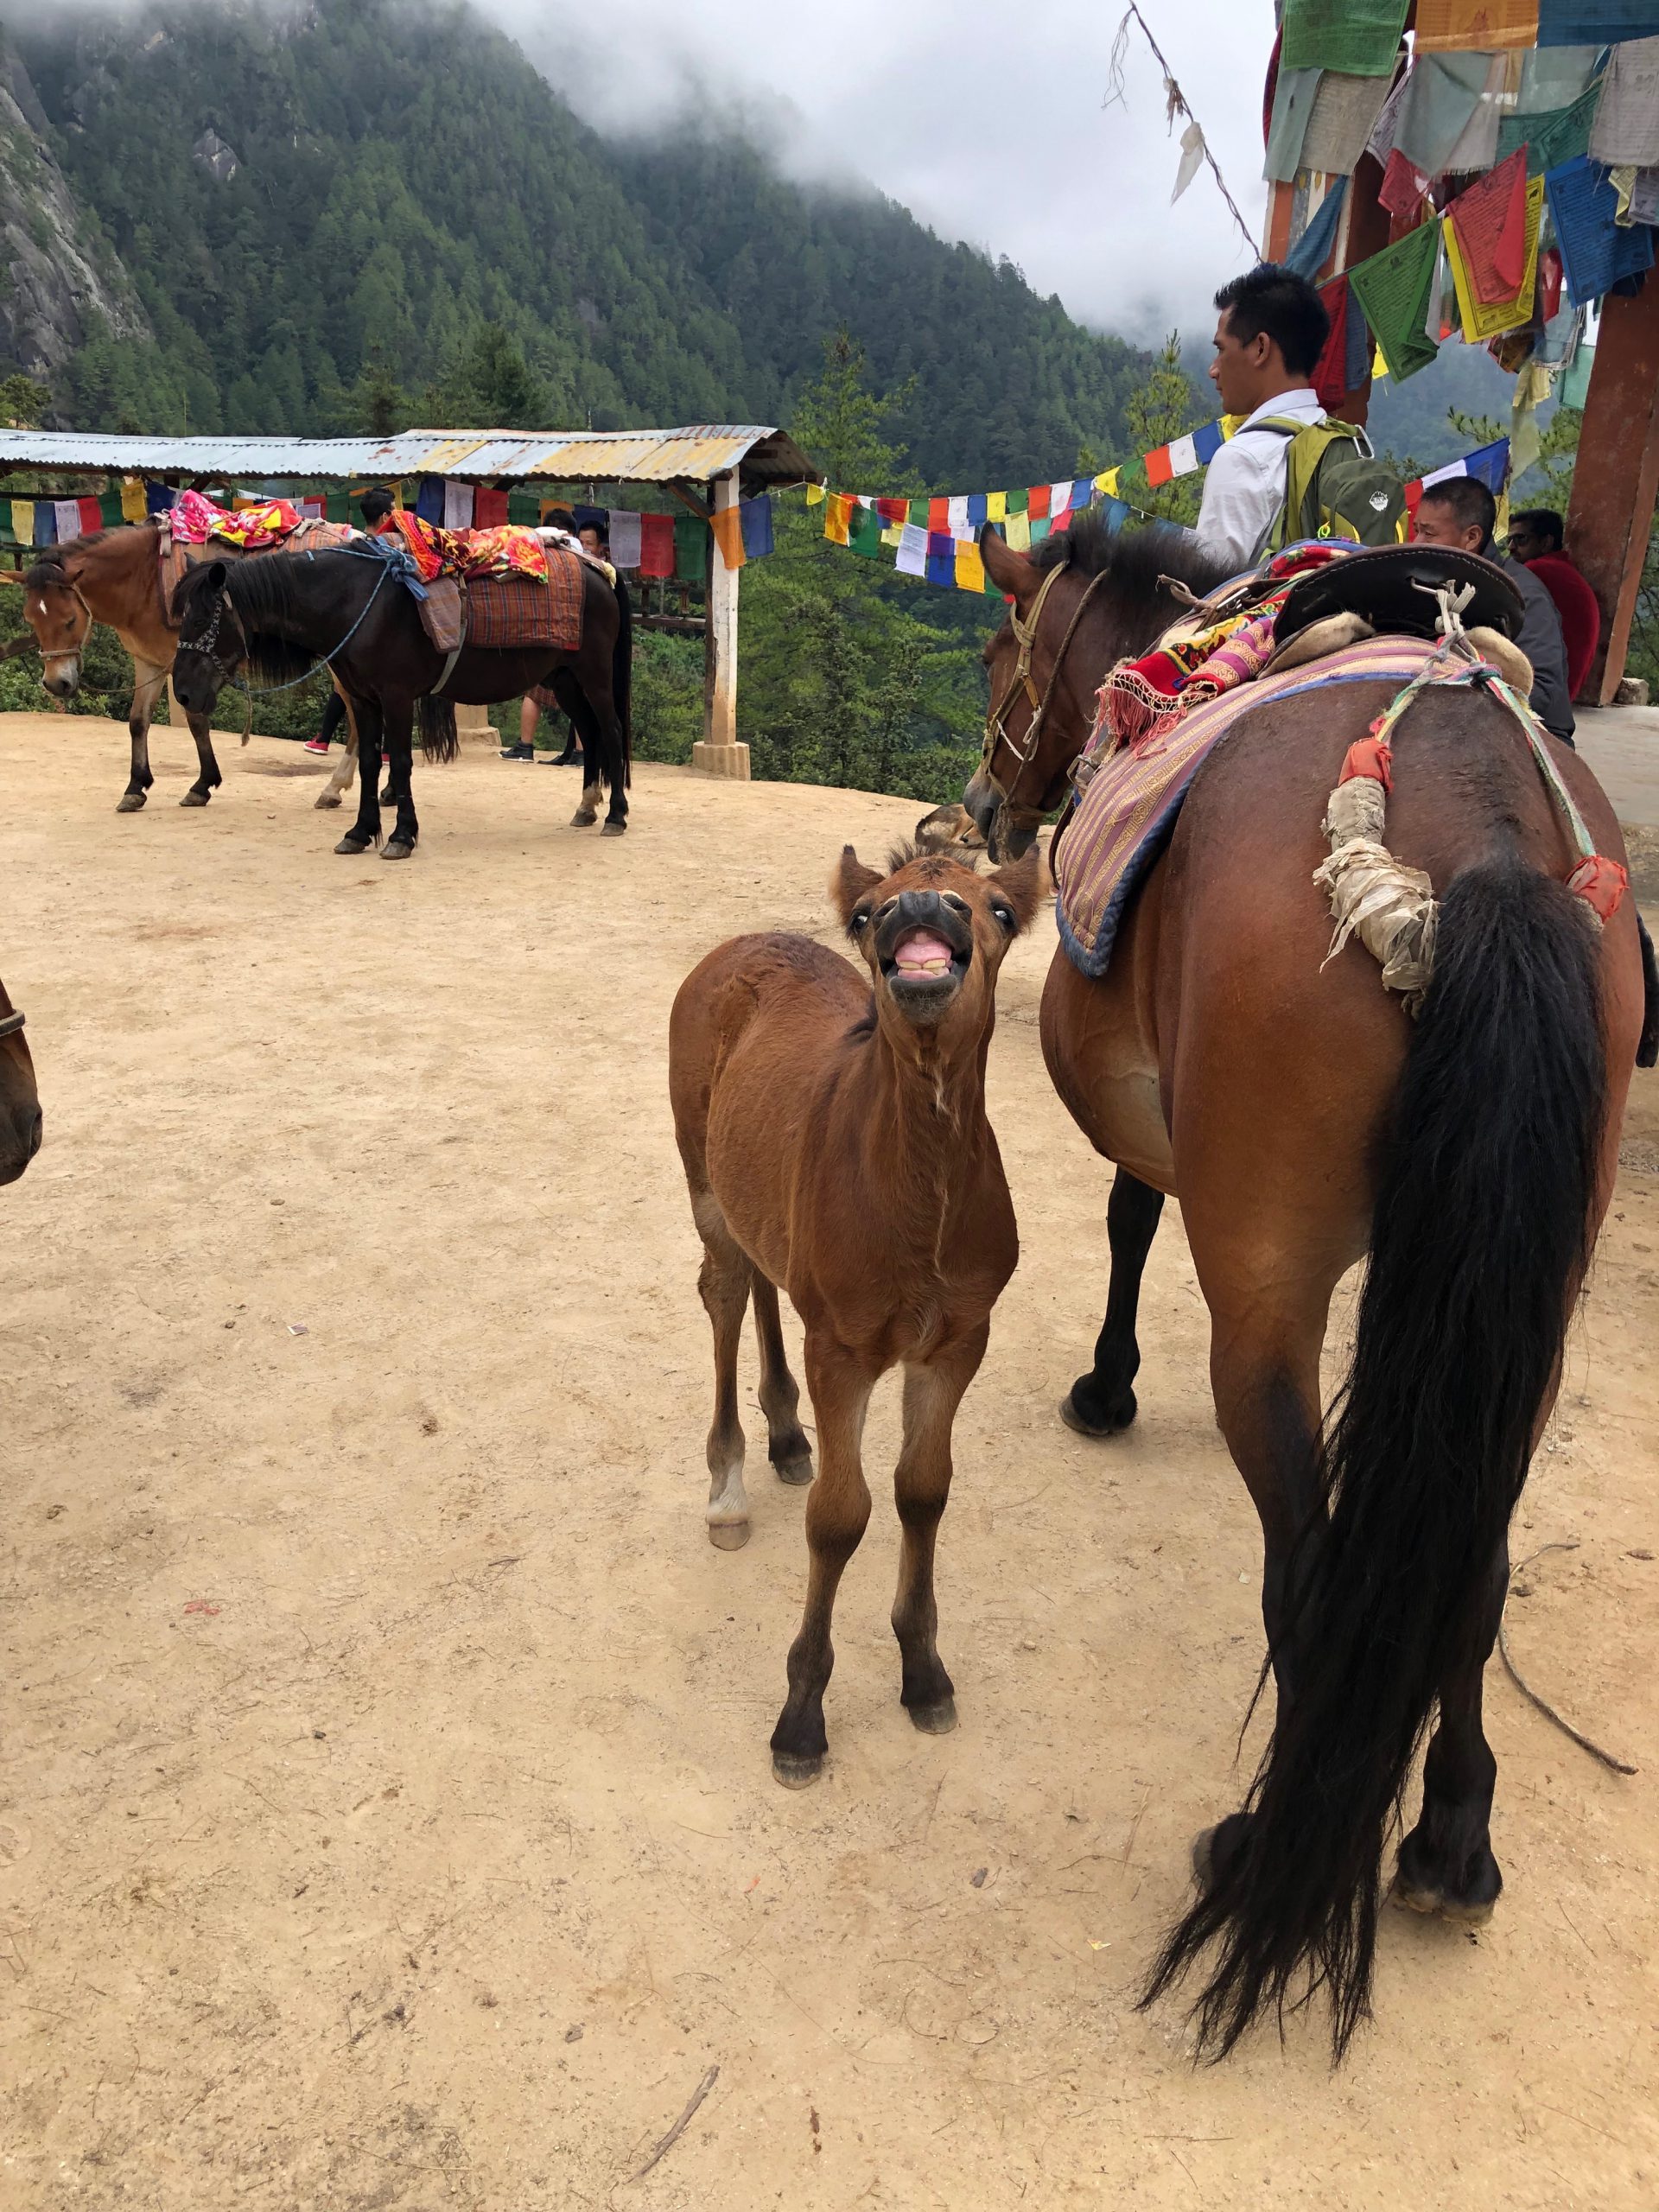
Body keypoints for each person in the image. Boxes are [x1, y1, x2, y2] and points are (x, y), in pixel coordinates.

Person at [1412, 477, 1575, 743]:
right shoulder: (1430, 581)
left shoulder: (1523, 595)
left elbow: (1541, 690)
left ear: (1471, 537)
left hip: (1533, 733)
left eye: (1429, 533)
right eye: (1416, 530)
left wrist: (1450, 688)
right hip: (1452, 715)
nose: (1417, 542)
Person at [1194, 264, 1332, 570]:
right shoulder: (1350, 443)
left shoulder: (1243, 457)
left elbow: (1205, 592)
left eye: (1221, 349)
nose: (1213, 369)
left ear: (1260, 348)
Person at [1506, 507, 1602, 704]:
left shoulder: (1538, 570)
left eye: (1521, 539)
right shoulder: (1559, 569)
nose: (1511, 547)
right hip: (1562, 688)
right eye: (1510, 540)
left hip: (1546, 691)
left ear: (1546, 542)